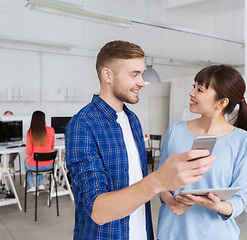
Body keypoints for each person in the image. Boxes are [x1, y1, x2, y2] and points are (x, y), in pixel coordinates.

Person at [65, 40, 215, 240]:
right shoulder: (83, 124)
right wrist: (158, 180)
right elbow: (98, 211)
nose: (142, 82)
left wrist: (169, 199)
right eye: (134, 74)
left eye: (142, 74)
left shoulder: (132, 120)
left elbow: (136, 183)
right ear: (107, 75)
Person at [156, 65, 247, 240]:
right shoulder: (175, 132)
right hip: (171, 232)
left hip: (216, 234)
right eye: (193, 86)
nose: (192, 93)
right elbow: (159, 180)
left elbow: (240, 200)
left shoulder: (242, 141)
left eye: (200, 89)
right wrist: (171, 201)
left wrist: (215, 205)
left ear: (222, 102)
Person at [24, 110, 55, 193]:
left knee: (26, 161)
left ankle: (31, 185)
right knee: (40, 159)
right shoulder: (51, 130)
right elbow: (52, 147)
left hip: (36, 166)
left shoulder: (30, 132)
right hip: (49, 166)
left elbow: (28, 152)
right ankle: (41, 184)